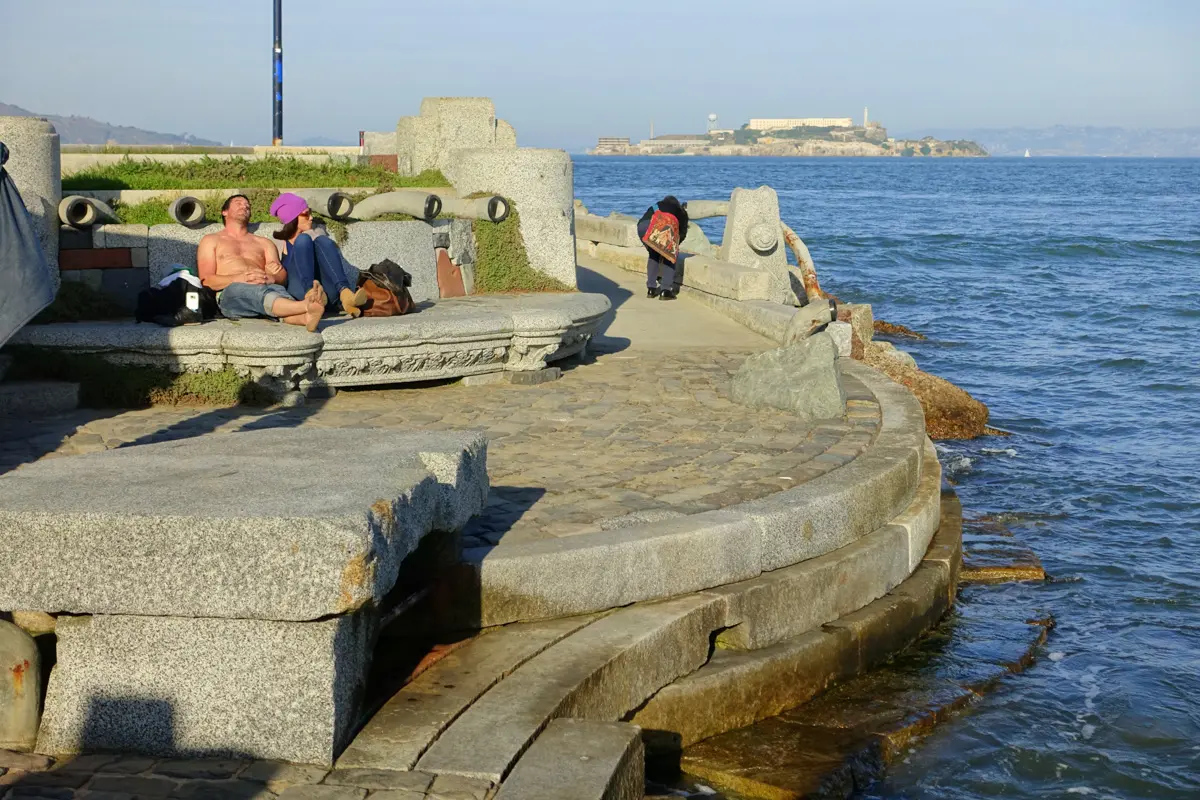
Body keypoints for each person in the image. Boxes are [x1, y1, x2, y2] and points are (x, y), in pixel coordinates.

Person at [197, 194, 325, 331]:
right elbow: (206, 280)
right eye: (238, 203)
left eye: (247, 205)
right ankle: (306, 305)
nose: (245, 206)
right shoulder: (211, 240)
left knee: (278, 292)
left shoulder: (264, 243)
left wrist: (272, 278)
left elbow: (281, 274)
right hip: (230, 292)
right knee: (248, 291)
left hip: (267, 286)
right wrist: (239, 278)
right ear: (225, 212)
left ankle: (306, 318)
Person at [269, 193, 368, 317]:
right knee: (303, 239)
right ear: (292, 219)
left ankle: (346, 294)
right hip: (301, 295)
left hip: (328, 296)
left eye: (310, 212)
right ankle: (311, 294)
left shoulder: (316, 235)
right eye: (305, 214)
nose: (311, 218)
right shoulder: (278, 244)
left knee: (322, 241)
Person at [637, 195, 689, 300]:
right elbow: (682, 233)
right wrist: (674, 248)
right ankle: (665, 290)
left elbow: (643, 220)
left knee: (653, 253)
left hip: (642, 227)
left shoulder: (656, 205)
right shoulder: (680, 211)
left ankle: (651, 289)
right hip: (660, 226)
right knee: (670, 256)